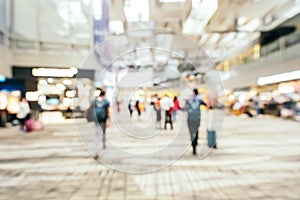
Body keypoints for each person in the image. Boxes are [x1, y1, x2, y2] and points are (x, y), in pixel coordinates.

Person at [186, 89, 207, 155]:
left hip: (190, 118)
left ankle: (193, 144)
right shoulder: (199, 100)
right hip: (197, 118)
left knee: (191, 132)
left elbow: (183, 106)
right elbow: (206, 105)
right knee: (196, 131)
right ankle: (195, 143)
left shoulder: (189, 100)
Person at [93, 89, 110, 160]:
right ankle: (103, 143)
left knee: (97, 134)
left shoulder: (95, 101)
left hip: (97, 119)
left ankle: (97, 151)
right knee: (103, 132)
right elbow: (108, 111)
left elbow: (91, 109)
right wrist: (109, 120)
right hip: (103, 119)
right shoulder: (106, 101)